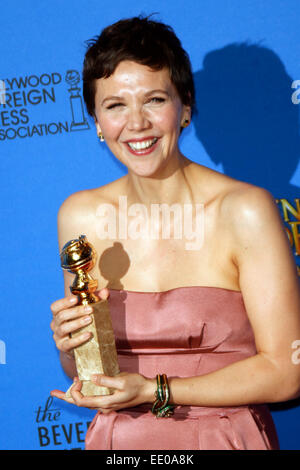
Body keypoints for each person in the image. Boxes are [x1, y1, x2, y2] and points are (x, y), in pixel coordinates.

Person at [50, 16, 300, 450]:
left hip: (224, 436)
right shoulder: (80, 216)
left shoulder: (244, 211)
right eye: (115, 106)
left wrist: (155, 390)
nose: (137, 123)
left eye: (154, 100)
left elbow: (287, 373)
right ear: (95, 120)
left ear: (185, 107)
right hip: (121, 443)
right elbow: (84, 370)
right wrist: (71, 348)